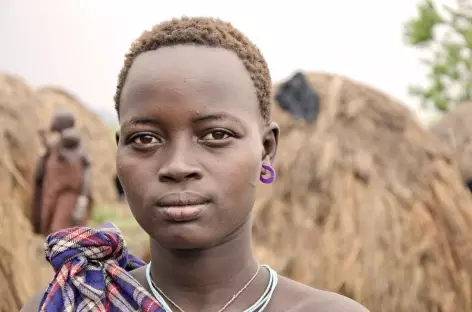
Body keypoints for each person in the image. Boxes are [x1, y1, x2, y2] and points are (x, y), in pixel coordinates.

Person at [22, 17, 369, 312]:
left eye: (216, 134)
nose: (178, 165)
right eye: (145, 139)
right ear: (118, 153)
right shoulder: (69, 303)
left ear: (266, 150)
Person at [37, 127, 93, 236]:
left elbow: (86, 184)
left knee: (60, 230)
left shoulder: (82, 159)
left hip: (71, 198)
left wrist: (82, 202)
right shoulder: (54, 152)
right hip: (54, 197)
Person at [31, 110, 77, 234]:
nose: (53, 123)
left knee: (59, 229)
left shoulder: (70, 141)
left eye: (56, 120)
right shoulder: (57, 144)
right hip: (53, 192)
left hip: (65, 193)